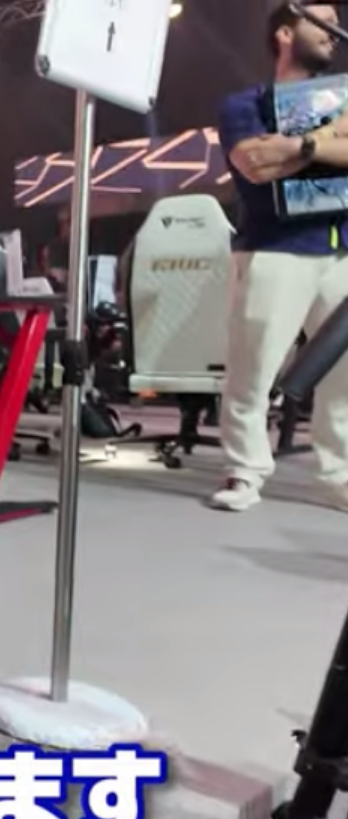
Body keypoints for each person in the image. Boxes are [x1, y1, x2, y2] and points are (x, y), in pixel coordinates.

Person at [212, 1, 348, 511]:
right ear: (286, 33)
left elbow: (278, 156)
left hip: (342, 251)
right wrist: (333, 137)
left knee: (344, 376)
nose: (335, 31)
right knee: (252, 369)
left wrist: (299, 147)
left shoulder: (343, 94)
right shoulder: (242, 104)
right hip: (274, 248)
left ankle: (339, 475)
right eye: (323, 21)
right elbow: (255, 164)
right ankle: (243, 472)